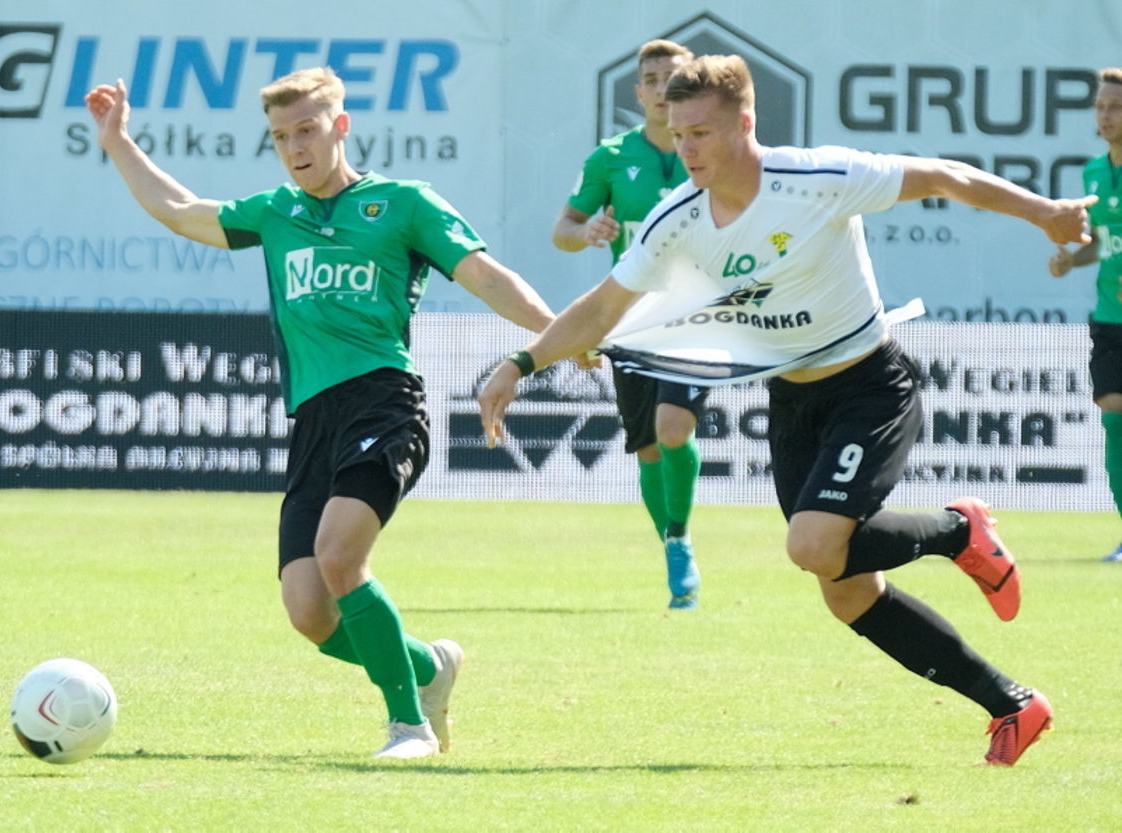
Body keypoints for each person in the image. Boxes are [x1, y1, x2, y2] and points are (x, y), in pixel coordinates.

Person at [480, 54, 1095, 765]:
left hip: (870, 385)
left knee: (812, 547)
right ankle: (1012, 703)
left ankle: (959, 531)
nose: (686, 149)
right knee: (845, 591)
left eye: (702, 133)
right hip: (791, 397)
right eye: (678, 134)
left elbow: (944, 177)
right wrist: (521, 362)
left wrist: (1047, 213)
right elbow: (603, 307)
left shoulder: (817, 178)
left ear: (746, 123)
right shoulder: (677, 218)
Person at [86, 67, 556, 759]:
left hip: (385, 398)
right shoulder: (276, 212)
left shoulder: (402, 203)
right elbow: (180, 209)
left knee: (341, 556)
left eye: (307, 129)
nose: (295, 146)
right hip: (314, 419)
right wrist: (118, 140)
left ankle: (408, 726)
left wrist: (554, 337)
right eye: (281, 136)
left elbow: (484, 274)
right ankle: (430, 669)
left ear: (340, 127)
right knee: (309, 610)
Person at [552, 39, 705, 610]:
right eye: (652, 77)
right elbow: (563, 229)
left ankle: (681, 535)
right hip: (629, 317)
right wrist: (587, 231)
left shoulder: (715, 152)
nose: (663, 86)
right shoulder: (610, 158)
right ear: (639, 91)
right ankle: (673, 542)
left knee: (672, 429)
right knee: (646, 449)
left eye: (674, 76)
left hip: (696, 315)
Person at [1047, 67, 1122, 562]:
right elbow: (1100, 245)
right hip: (1110, 316)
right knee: (1113, 417)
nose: (1105, 115)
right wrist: (1071, 258)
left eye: (1115, 107)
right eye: (1100, 107)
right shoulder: (1094, 172)